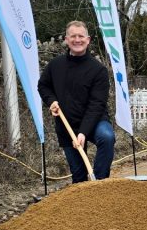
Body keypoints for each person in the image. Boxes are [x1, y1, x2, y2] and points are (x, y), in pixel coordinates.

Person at [37, 21, 115, 184]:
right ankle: (82, 194)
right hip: (67, 125)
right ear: (66, 39)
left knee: (107, 137)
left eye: (81, 36)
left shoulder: (98, 70)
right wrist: (51, 101)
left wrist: (83, 132)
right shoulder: (55, 65)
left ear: (88, 40)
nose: (77, 40)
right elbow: (43, 86)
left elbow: (97, 104)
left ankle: (100, 183)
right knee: (78, 176)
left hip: (94, 122)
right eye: (73, 36)